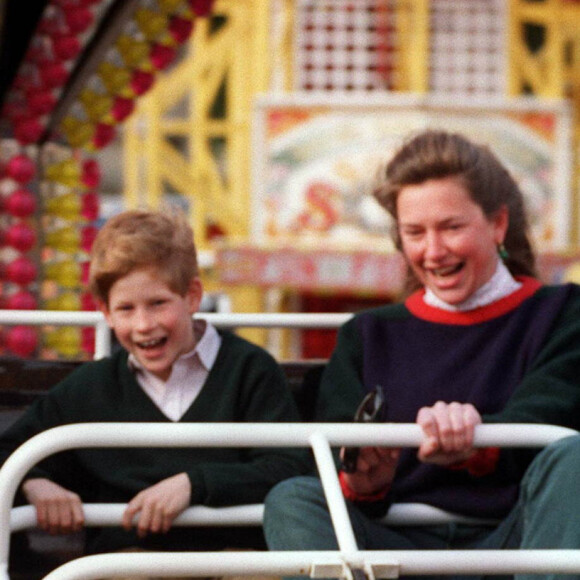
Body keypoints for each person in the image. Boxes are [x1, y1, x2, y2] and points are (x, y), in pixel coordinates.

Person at [263, 129, 580, 580]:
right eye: (415, 232)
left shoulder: (563, 314)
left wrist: (476, 442)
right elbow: (335, 455)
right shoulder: (366, 334)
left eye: (452, 227)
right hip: (394, 549)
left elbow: (551, 417)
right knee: (293, 500)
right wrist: (362, 482)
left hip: (516, 539)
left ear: (497, 224)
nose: (433, 252)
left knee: (574, 458)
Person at [0, 208, 308, 557]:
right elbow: (8, 449)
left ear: (192, 296)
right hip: (127, 563)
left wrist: (194, 485)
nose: (143, 324)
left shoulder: (249, 370)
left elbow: (290, 466)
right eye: (126, 309)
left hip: (235, 557)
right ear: (105, 312)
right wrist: (33, 481)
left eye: (158, 303)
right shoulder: (90, 388)